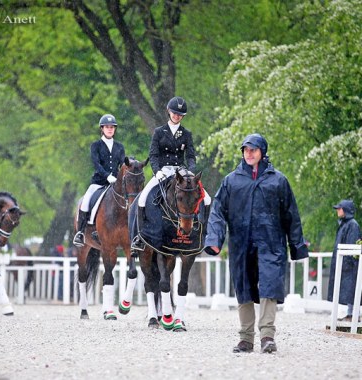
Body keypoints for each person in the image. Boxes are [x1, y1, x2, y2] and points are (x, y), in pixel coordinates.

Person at [203, 133, 308, 354]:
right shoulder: (231, 181)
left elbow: (291, 215)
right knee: (244, 288)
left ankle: (267, 336)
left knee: (269, 287)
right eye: (246, 150)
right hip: (241, 243)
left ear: (262, 152)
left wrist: (297, 247)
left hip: (271, 243)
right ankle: (246, 339)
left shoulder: (278, 180)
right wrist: (214, 239)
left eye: (253, 150)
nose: (249, 153)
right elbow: (218, 212)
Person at [131, 96, 209, 251]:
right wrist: (157, 171)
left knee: (206, 198)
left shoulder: (186, 134)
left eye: (180, 114)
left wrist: (191, 172)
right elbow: (153, 155)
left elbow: (191, 156)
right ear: (169, 112)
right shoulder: (159, 132)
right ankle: (138, 237)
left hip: (181, 171)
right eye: (174, 113)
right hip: (163, 170)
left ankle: (203, 233)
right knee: (142, 198)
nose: (177, 116)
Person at [73, 114, 126, 247]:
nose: (109, 129)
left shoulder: (119, 147)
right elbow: (96, 164)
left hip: (115, 184)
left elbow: (122, 164)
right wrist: (107, 176)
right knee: (85, 202)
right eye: (107, 127)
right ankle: (80, 232)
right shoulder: (95, 145)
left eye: (112, 127)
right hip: (99, 182)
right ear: (102, 129)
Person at [327, 199, 361, 321]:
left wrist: (347, 264)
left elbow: (352, 248)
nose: (337, 210)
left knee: (351, 288)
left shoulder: (352, 225)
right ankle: (350, 314)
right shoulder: (344, 224)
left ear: (345, 210)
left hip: (349, 265)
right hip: (343, 264)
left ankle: (354, 315)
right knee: (348, 289)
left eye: (340, 208)